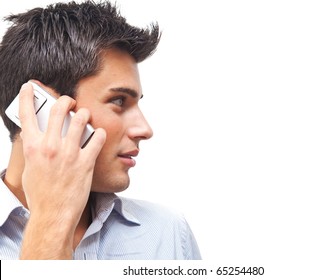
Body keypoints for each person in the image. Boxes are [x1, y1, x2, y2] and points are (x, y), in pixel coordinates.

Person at [0, 1, 201, 260]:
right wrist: (50, 223)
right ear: (40, 107)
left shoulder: (168, 232)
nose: (145, 130)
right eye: (119, 101)